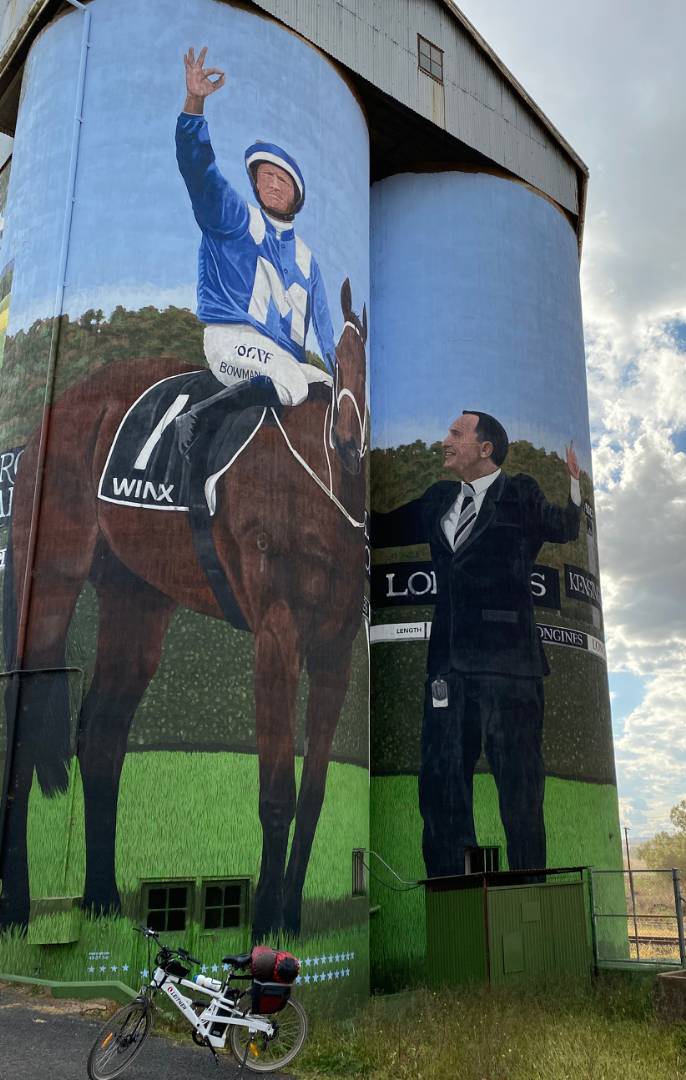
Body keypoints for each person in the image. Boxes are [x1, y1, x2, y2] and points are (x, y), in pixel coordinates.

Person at [371, 412, 582, 877]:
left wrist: (574, 484)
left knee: (520, 791)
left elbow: (564, 525)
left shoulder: (520, 492)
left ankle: (531, 892)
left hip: (510, 670)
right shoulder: (438, 499)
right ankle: (450, 891)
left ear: (485, 448)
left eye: (455, 434)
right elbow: (381, 528)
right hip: (447, 670)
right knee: (441, 784)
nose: (443, 440)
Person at [174, 47, 336, 457]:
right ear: (255, 185)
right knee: (293, 381)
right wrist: (195, 105)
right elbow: (200, 173)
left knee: (330, 392)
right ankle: (197, 416)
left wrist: (341, 374)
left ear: (296, 194)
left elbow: (324, 329)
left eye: (282, 179)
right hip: (232, 340)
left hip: (283, 358)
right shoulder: (235, 216)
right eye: (265, 177)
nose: (273, 185)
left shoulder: (307, 258)